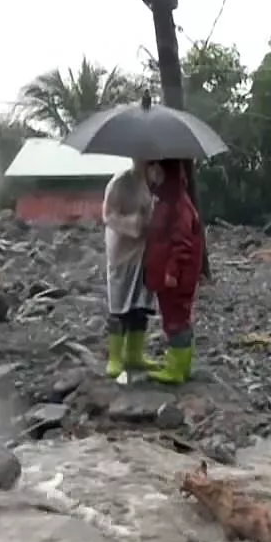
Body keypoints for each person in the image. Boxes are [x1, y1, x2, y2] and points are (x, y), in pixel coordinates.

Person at [142, 158, 204, 385]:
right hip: (169, 273)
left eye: (156, 171)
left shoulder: (178, 203)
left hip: (176, 277)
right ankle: (180, 366)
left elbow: (182, 243)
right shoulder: (166, 199)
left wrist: (172, 272)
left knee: (176, 320)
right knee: (174, 318)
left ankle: (177, 370)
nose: (153, 175)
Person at [101, 159, 158, 376]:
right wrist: (134, 223)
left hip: (145, 250)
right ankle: (115, 357)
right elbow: (108, 215)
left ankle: (135, 354)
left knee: (141, 303)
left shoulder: (152, 180)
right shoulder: (120, 182)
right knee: (119, 302)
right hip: (123, 251)